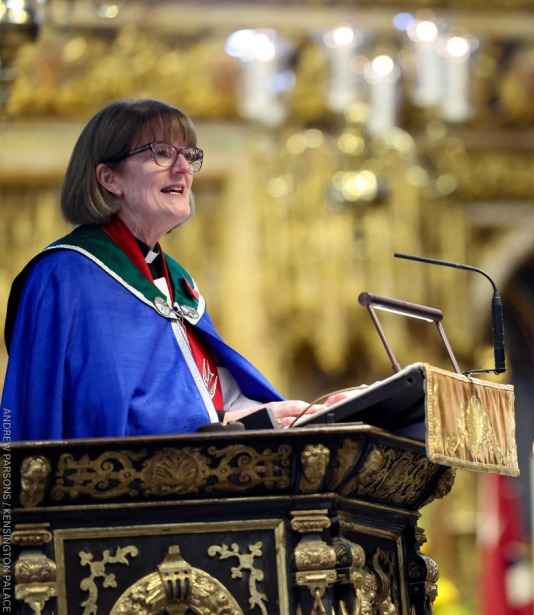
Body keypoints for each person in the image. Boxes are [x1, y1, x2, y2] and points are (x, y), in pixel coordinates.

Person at [2, 98, 345, 440]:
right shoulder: (65, 275)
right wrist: (223, 421)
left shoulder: (176, 281)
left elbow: (213, 397)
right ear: (109, 178)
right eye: (161, 153)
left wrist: (312, 413)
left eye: (189, 155)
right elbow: (89, 414)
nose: (183, 168)